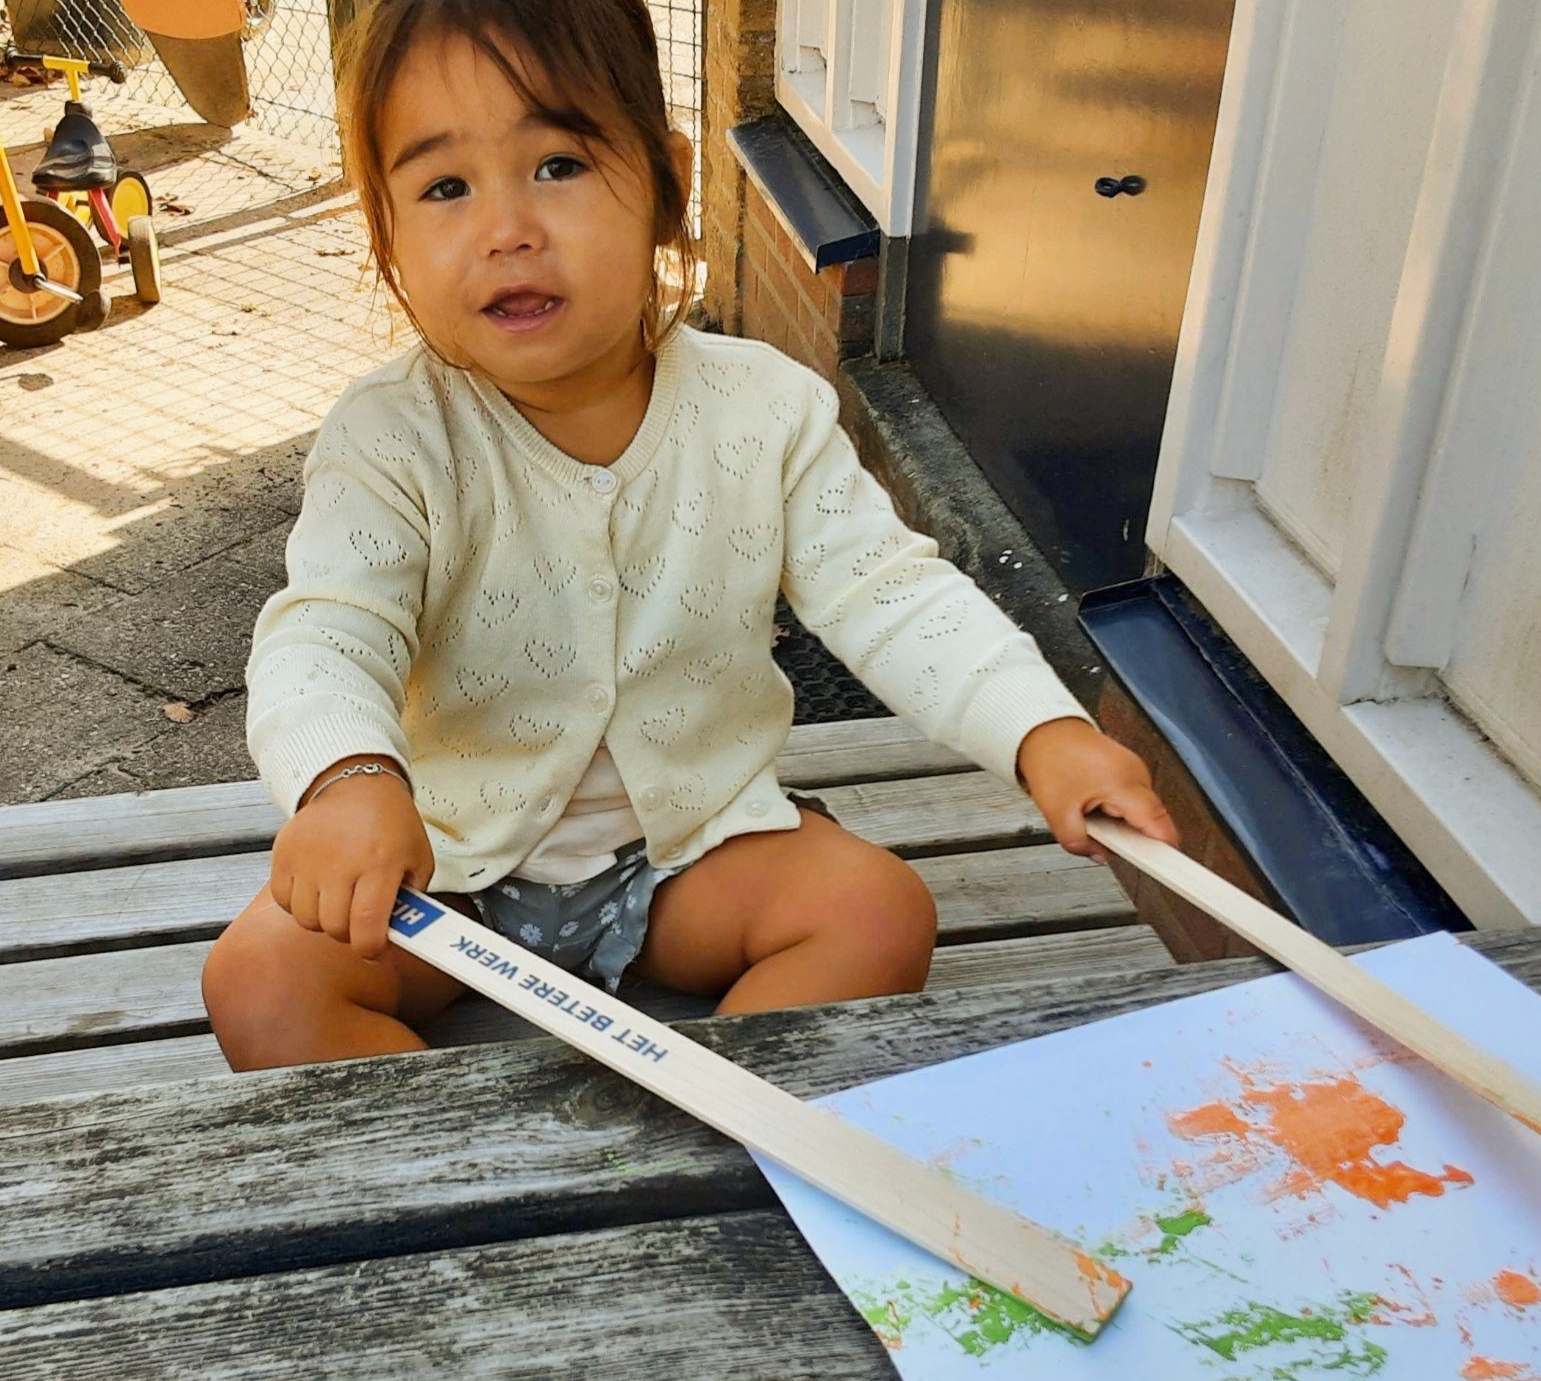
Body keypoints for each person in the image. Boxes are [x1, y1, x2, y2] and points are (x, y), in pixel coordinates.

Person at [201, 0, 1179, 1071]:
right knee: (260, 979)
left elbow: (890, 593)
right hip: (443, 868)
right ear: (385, 230)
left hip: (691, 853)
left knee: (875, 911)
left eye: (559, 165)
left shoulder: (762, 408)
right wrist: (348, 780)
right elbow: (325, 633)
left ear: (668, 187)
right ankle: (468, 1152)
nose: (506, 228)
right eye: (443, 187)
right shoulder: (392, 436)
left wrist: (1040, 729)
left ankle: (703, 1128)